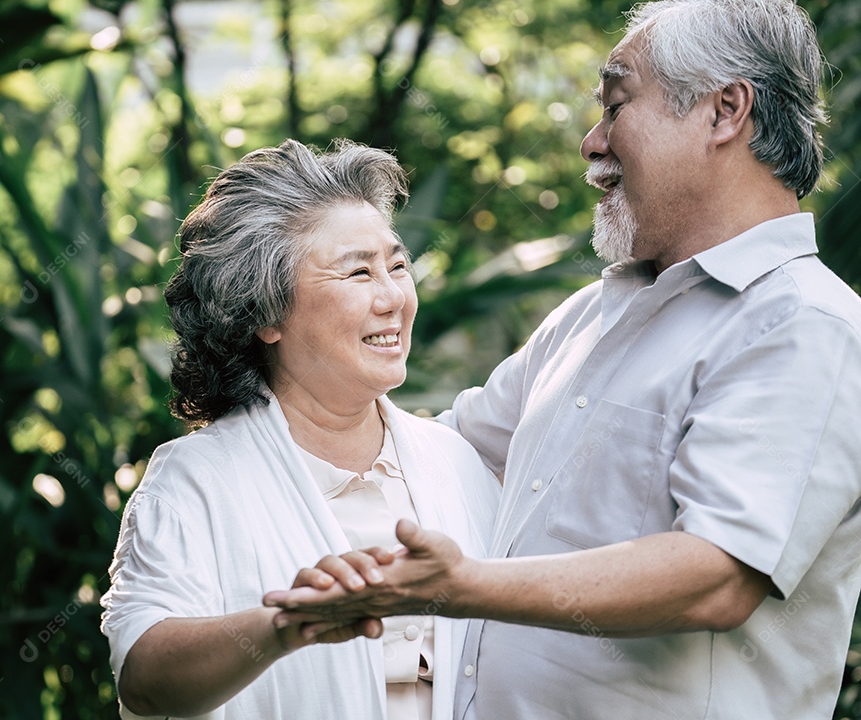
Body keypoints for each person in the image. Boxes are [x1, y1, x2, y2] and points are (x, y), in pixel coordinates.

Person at [264, 1, 861, 718]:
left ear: (724, 110)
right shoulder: (591, 314)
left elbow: (716, 576)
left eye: (616, 106)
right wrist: (246, 440)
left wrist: (459, 588)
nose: (591, 142)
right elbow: (441, 452)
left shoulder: (803, 326)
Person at [98, 138, 502, 720]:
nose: (392, 296)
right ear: (265, 313)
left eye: (396, 265)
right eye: (358, 272)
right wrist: (286, 625)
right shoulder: (193, 481)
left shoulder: (454, 461)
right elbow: (144, 678)